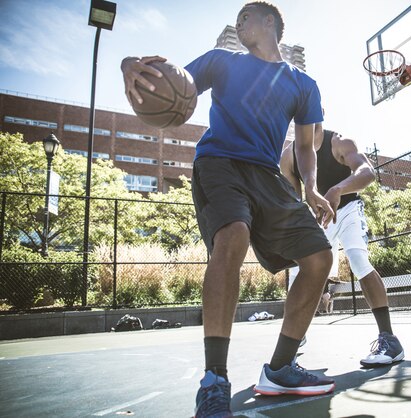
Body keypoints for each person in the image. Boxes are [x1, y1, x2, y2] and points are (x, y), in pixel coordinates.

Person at [122, 3, 336, 417]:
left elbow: (307, 147)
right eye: (236, 20)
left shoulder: (303, 83)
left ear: (270, 22)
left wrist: (311, 187)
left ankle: (280, 368)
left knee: (320, 257)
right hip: (219, 162)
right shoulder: (221, 62)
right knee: (233, 235)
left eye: (246, 17)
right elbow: (168, 80)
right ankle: (214, 380)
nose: (238, 24)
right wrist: (129, 63)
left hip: (267, 174)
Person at [281, 123, 405, 368]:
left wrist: (338, 189)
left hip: (347, 209)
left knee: (358, 261)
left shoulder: (339, 142)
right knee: (298, 273)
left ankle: (390, 340)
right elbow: (292, 199)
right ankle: (292, 341)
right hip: (318, 217)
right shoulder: (288, 156)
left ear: (320, 114)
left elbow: (367, 172)